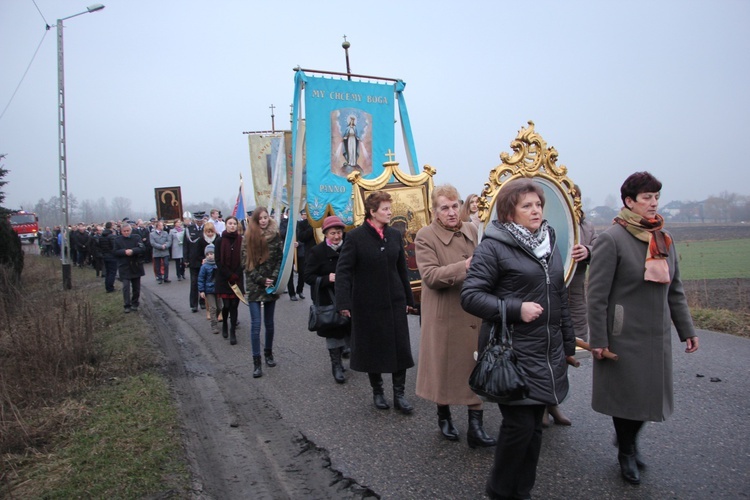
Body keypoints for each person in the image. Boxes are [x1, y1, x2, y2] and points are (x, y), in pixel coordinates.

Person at [460, 179, 576, 500]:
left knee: (534, 430)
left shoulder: (548, 242)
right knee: (519, 428)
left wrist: (568, 343)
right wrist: (515, 308)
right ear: (510, 213)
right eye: (527, 205)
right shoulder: (493, 246)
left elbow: (559, 296)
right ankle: (498, 492)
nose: (535, 210)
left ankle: (521, 492)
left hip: (546, 350)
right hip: (512, 351)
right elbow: (470, 296)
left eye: (538, 204)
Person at [587, 171, 699, 486]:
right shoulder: (612, 239)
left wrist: (686, 330)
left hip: (656, 334)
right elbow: (596, 295)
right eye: (646, 198)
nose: (653, 203)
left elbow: (674, 289)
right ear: (629, 202)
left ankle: (628, 440)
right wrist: (598, 339)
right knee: (627, 397)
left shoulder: (663, 238)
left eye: (655, 197)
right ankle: (626, 451)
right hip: (624, 334)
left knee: (649, 396)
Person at [415, 185, 496, 447]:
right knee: (445, 368)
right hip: (445, 314)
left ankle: (476, 427)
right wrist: (465, 266)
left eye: (454, 205)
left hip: (474, 311)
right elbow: (430, 276)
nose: (451, 213)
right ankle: (444, 415)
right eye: (444, 208)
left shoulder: (471, 229)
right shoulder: (425, 236)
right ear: (434, 211)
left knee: (477, 365)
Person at [335, 190, 416, 414]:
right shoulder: (355, 237)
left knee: (401, 348)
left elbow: (402, 270)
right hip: (367, 304)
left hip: (394, 301)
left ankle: (399, 395)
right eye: (386, 209)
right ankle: (378, 391)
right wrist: (343, 303)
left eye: (390, 208)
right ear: (372, 212)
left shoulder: (395, 235)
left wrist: (409, 299)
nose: (390, 212)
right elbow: (343, 272)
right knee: (374, 348)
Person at [304, 215, 351, 384]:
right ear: (325, 234)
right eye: (333, 233)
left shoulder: (349, 248)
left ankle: (350, 353)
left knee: (350, 329)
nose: (337, 236)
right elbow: (308, 276)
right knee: (333, 331)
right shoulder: (317, 252)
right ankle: (336, 365)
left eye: (339, 233)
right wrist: (326, 279)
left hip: (349, 296)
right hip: (328, 300)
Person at [242, 207, 283, 378]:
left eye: (266, 217)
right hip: (254, 284)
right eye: (260, 218)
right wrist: (260, 279)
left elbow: (280, 258)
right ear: (255, 220)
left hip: (270, 284)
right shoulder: (248, 237)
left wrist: (272, 278)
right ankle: (256, 362)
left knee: (269, 323)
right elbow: (246, 263)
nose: (264, 221)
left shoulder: (275, 235)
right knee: (256, 324)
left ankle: (268, 353)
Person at [215, 216, 242, 345]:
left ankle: (232, 331)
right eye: (230, 223)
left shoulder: (240, 240)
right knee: (226, 305)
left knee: (234, 305)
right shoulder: (220, 241)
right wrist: (228, 274)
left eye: (234, 224)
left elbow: (243, 258)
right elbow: (218, 261)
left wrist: (236, 274)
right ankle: (225, 323)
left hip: (237, 277)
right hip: (224, 278)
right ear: (226, 225)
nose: (232, 226)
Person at [112, 223, 146, 313]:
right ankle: (127, 305)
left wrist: (133, 251)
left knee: (136, 287)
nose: (126, 233)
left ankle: (135, 303)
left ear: (130, 230)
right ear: (121, 231)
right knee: (126, 287)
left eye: (128, 231)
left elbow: (142, 248)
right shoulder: (117, 240)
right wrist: (124, 252)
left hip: (136, 265)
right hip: (124, 266)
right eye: (124, 231)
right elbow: (115, 251)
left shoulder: (136, 237)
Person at [184, 212, 208, 312]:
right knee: (194, 283)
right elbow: (186, 245)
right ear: (194, 219)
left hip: (204, 260)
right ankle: (193, 305)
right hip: (193, 260)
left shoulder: (206, 229)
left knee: (204, 282)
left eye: (201, 219)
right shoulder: (189, 229)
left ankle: (203, 302)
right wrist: (185, 259)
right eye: (197, 219)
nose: (199, 221)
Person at [198, 244, 220, 336]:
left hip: (218, 289)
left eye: (212, 253)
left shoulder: (218, 264)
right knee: (213, 307)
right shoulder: (204, 266)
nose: (210, 255)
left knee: (220, 307)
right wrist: (201, 290)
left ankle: (215, 318)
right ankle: (214, 324)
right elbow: (201, 279)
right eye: (208, 254)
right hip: (209, 290)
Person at [100, 221, 118, 293]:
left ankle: (107, 286)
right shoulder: (111, 236)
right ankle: (110, 288)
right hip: (112, 256)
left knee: (107, 272)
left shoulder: (102, 236)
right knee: (112, 272)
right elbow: (114, 246)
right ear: (111, 226)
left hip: (105, 255)